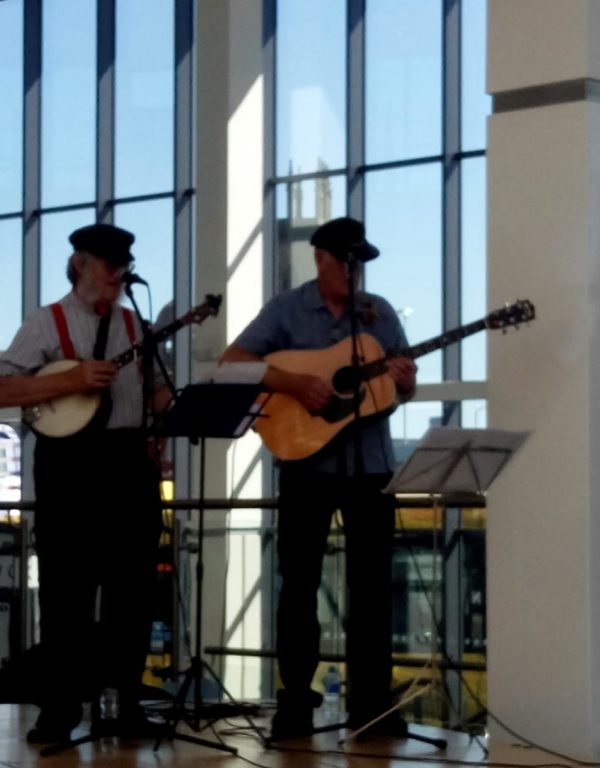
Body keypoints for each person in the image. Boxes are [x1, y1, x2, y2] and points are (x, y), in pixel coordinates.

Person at [219, 216, 417, 740]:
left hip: (370, 467)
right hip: (305, 464)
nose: (355, 273)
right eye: (347, 262)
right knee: (299, 586)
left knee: (372, 591)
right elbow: (233, 361)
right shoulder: (287, 310)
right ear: (322, 259)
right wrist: (295, 383)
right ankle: (295, 703)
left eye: (361, 264)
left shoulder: (378, 314)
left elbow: (403, 389)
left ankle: (371, 703)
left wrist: (407, 379)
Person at [0, 223, 166, 744]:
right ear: (80, 264)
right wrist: (70, 380)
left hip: (129, 464)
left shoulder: (139, 329)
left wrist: (168, 426)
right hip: (69, 466)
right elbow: (2, 389)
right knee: (67, 593)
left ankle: (128, 702)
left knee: (131, 593)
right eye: (108, 263)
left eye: (122, 264)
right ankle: (59, 708)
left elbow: (159, 395)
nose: (117, 273)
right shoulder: (47, 324)